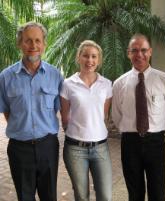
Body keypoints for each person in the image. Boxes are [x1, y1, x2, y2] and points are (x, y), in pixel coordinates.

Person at [0, 22, 63, 201]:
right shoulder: (5, 77)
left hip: (48, 146)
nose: (33, 46)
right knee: (24, 197)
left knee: (49, 196)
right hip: (19, 148)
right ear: (20, 43)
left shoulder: (55, 75)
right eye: (28, 41)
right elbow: (6, 111)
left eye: (38, 40)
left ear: (44, 44)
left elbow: (59, 108)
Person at [112, 33, 165, 201]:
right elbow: (117, 115)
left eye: (144, 50)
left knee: (158, 193)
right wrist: (130, 130)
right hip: (130, 143)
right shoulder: (119, 84)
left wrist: (157, 129)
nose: (139, 54)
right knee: (135, 193)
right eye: (135, 50)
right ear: (128, 53)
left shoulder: (164, 80)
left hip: (155, 142)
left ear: (150, 52)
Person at [60, 40, 112, 201]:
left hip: (100, 148)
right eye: (86, 56)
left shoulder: (106, 84)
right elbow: (65, 117)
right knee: (82, 196)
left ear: (99, 60)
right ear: (79, 57)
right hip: (75, 149)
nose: (90, 60)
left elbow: (104, 115)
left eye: (94, 57)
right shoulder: (68, 84)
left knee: (105, 195)